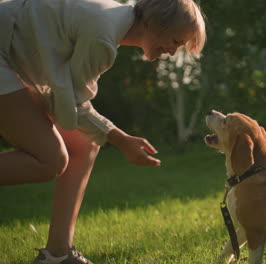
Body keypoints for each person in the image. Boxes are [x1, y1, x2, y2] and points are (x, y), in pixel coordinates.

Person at [0, 0, 206, 262]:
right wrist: (122, 140)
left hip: (9, 57)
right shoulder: (104, 35)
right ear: (155, 22)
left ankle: (58, 253)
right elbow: (69, 103)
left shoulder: (112, 21)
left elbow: (64, 98)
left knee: (84, 143)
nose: (173, 52)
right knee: (51, 160)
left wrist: (114, 136)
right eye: (175, 41)